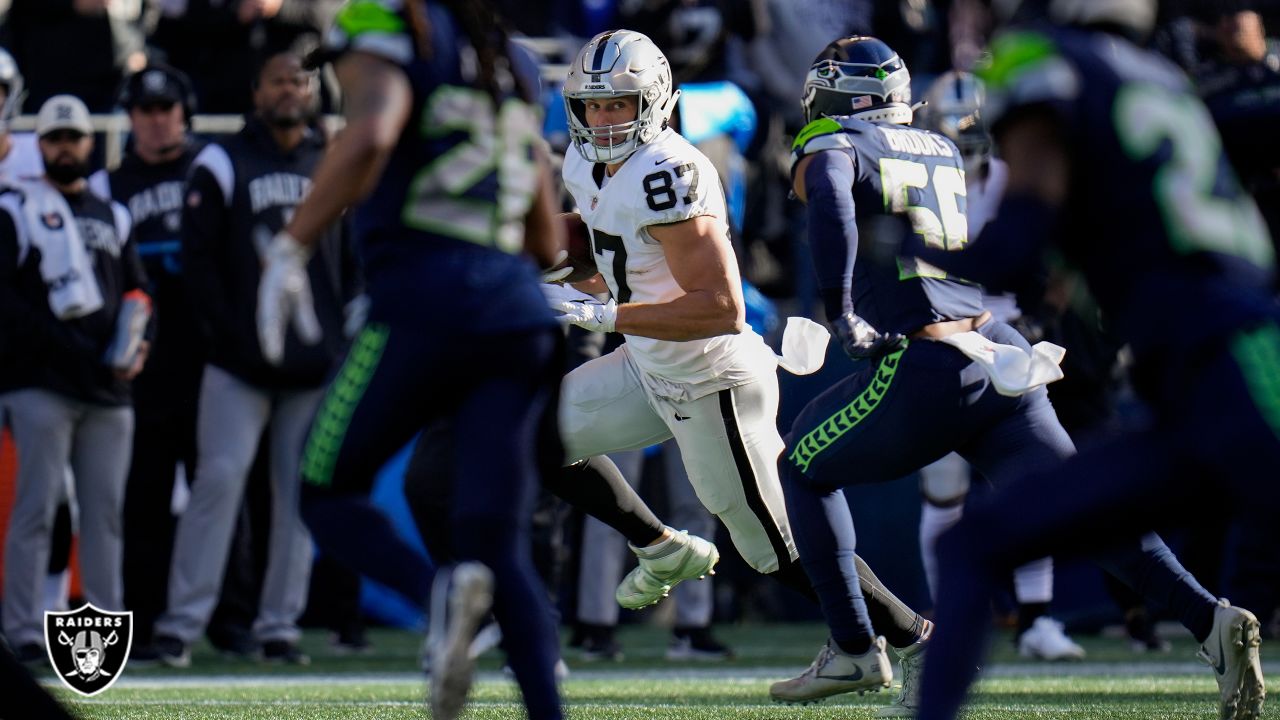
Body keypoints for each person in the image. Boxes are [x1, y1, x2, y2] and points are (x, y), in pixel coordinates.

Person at [773, 34, 1246, 720]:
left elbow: (829, 197)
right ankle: (1212, 622)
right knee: (1080, 509)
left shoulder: (836, 142)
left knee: (801, 467)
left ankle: (852, 643)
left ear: (837, 95)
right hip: (996, 353)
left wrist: (840, 306)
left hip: (926, 359)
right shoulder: (935, 145)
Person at [547, 33, 936, 715]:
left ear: (657, 101)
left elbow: (719, 309)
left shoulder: (669, 168)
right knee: (534, 437)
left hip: (712, 376)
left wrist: (599, 314)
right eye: (594, 106)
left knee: (775, 550)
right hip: (650, 363)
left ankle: (912, 639)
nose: (605, 121)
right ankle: (660, 547)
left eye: (620, 105)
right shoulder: (585, 159)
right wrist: (539, 263)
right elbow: (607, 248)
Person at [904, 0, 1272, 718]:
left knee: (975, 544)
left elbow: (1016, 242)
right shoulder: (1156, 73)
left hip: (1238, 372)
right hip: (1201, 391)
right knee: (977, 543)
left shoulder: (1040, 61)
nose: (967, 21)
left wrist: (899, 248)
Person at [255, 2, 567, 719]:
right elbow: (546, 240)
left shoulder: (385, 24)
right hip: (519, 318)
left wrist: (292, 244)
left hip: (424, 304)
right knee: (498, 543)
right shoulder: (507, 54)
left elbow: (370, 134)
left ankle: (436, 596)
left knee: (323, 487)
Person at [152, 51, 357, 668]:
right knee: (217, 484)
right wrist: (230, 338)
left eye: (300, 79)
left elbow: (353, 263)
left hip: (311, 367)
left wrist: (338, 344)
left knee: (300, 498)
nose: (292, 89)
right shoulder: (220, 160)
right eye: (278, 80)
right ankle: (182, 625)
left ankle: (279, 627)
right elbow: (199, 264)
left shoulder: (333, 161)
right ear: (256, 91)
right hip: (238, 366)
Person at [912, 69, 1085, 661]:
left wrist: (1044, 316)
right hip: (942, 333)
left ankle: (1037, 618)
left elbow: (1066, 244)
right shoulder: (911, 180)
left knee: (1032, 484)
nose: (964, 153)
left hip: (1007, 332)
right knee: (944, 488)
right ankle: (953, 620)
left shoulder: (1016, 175)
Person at [0, 94, 149, 664]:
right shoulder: (17, 206)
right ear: (41, 147)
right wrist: (65, 345)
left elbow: (137, 288)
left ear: (90, 143)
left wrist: (139, 340)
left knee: (105, 512)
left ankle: (109, 632)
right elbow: (8, 300)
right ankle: (23, 628)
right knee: (36, 508)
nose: (66, 147)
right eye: (56, 139)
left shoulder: (114, 214)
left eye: (75, 138)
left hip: (110, 387)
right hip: (42, 382)